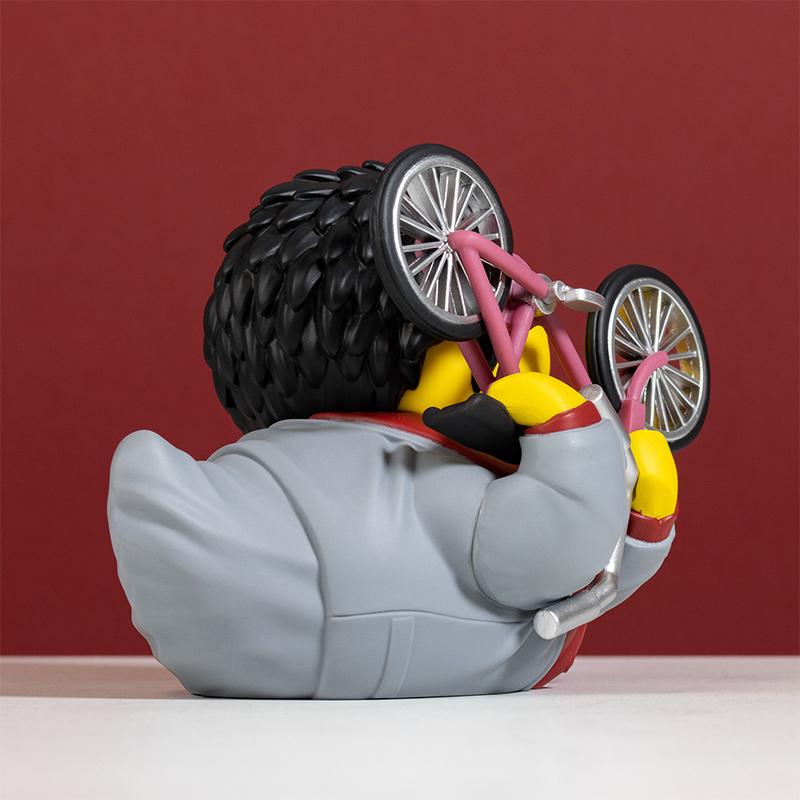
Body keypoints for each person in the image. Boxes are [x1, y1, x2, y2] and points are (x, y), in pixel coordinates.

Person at [108, 161, 678, 699]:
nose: (522, 341)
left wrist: (632, 535)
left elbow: (579, 580)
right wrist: (578, 445)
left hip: (236, 640)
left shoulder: (286, 458)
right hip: (479, 651)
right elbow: (555, 559)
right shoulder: (439, 480)